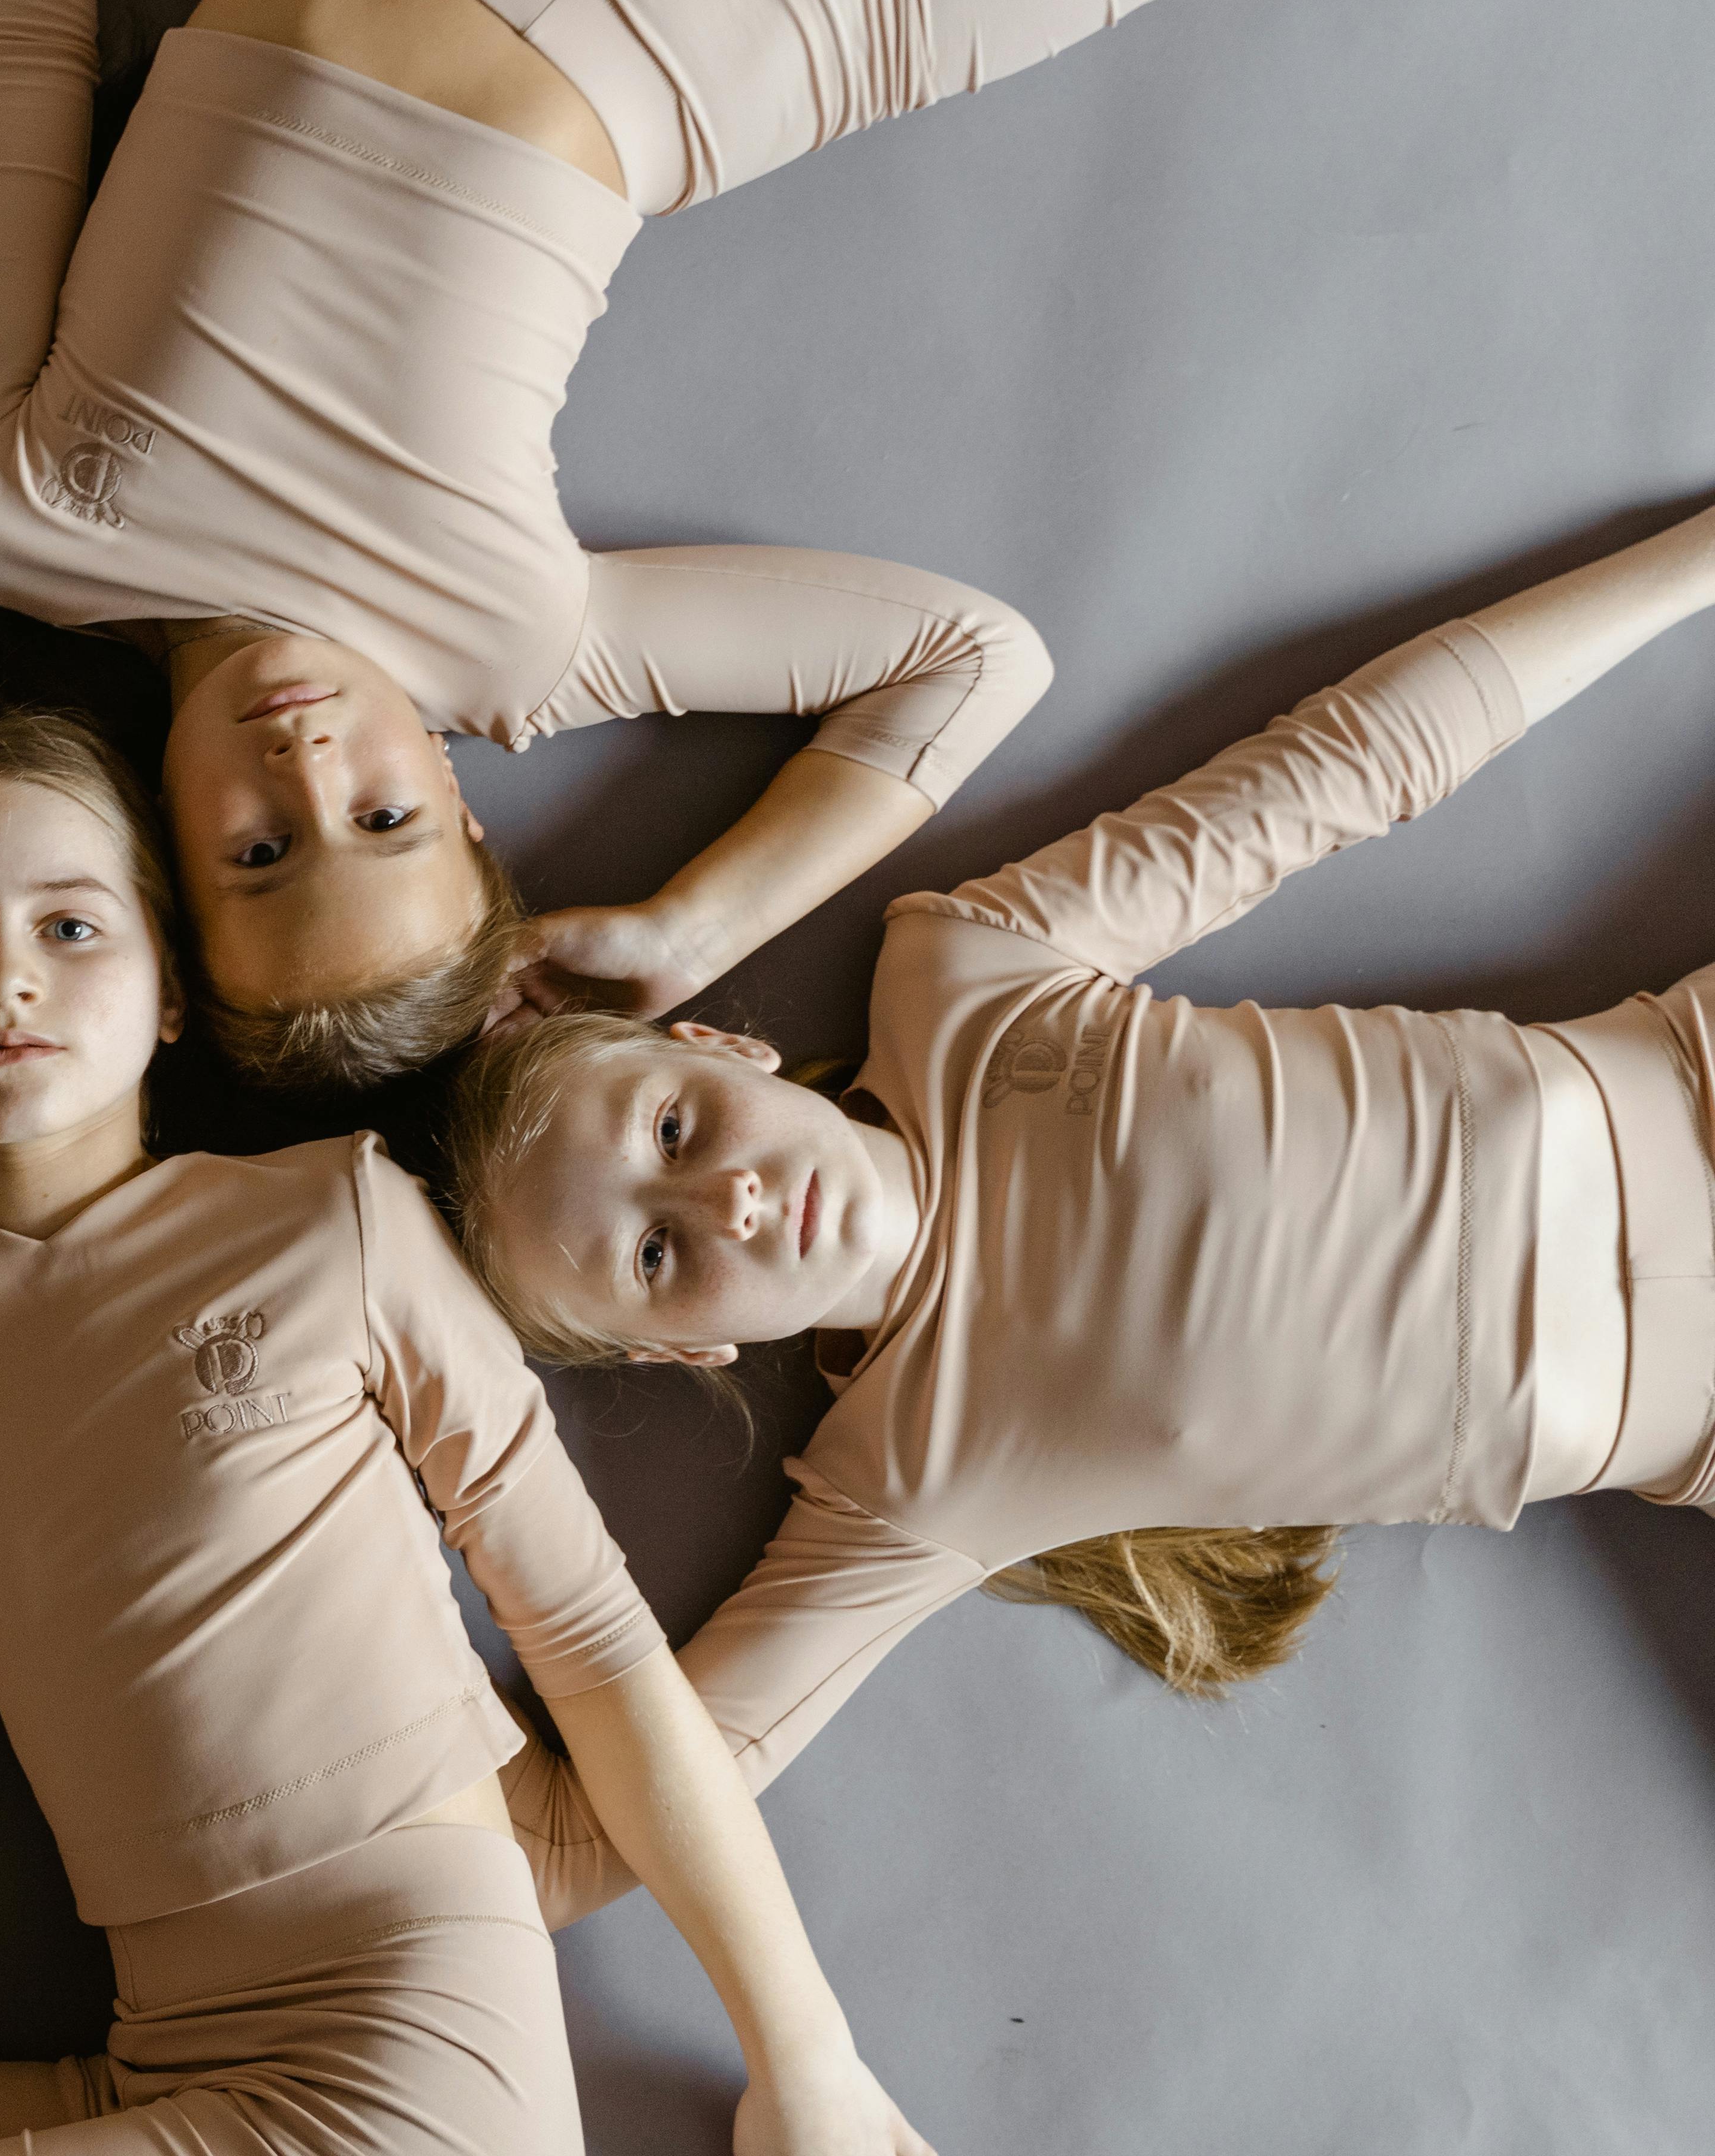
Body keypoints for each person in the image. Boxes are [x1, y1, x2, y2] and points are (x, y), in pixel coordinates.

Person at [0, 0, 1569, 1089]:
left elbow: (18, 45)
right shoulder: (519, 649)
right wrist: (704, 920)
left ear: (168, 862)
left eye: (262, 852)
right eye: (383, 822)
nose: (310, 767)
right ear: (468, 813)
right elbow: (970, 661)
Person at [0, 711, 932, 2155]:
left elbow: (598, 1648)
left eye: (71, 923)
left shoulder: (335, 1215)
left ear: (169, 988)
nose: (9, 974)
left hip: (419, 2053)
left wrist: (808, 2060)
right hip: (155, 2050)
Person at [443, 500, 1715, 1925]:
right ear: (684, 1353)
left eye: (673, 1128)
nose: (729, 1198)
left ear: (723, 1045)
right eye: (657, 1254)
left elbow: (1360, 762)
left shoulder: (969, 973)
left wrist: (1700, 559)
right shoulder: (904, 1489)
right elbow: (577, 1844)